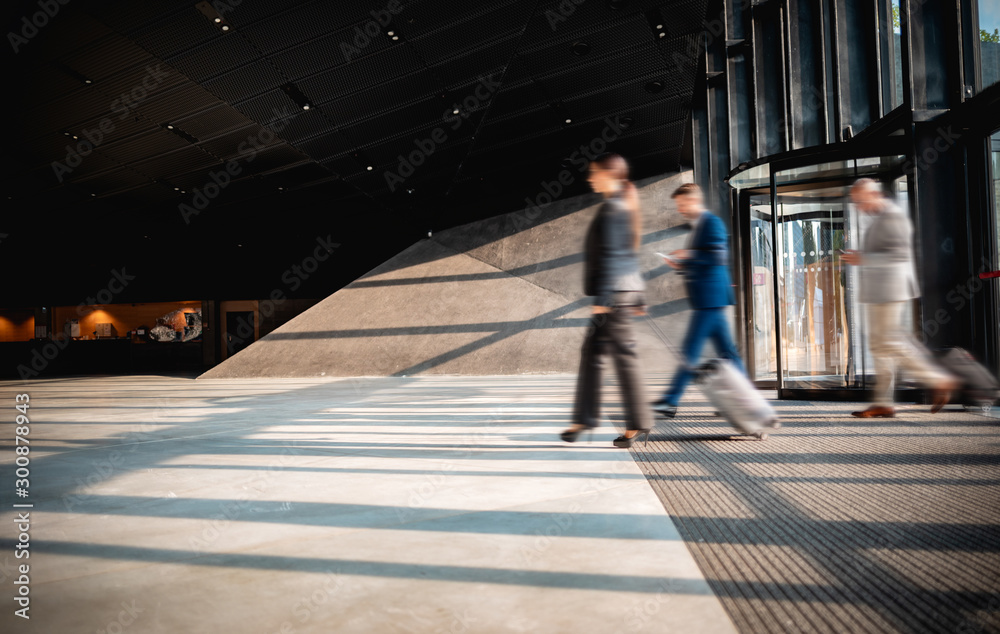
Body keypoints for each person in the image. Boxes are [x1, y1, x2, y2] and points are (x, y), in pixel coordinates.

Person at [841, 178, 957, 417]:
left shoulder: (892, 216)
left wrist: (863, 258)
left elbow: (899, 255)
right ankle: (883, 402)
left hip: (891, 289)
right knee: (879, 345)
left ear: (873, 194)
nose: (858, 205)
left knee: (890, 342)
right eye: (855, 201)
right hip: (878, 290)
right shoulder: (878, 217)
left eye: (860, 200)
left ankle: (938, 380)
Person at [560, 153, 653, 448]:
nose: (590, 179)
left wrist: (605, 298)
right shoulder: (619, 206)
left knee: (622, 359)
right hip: (620, 295)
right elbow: (628, 254)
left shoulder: (614, 208)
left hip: (613, 297)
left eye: (594, 173)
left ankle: (637, 423)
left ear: (610, 175)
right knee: (594, 356)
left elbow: (616, 256)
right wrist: (635, 297)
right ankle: (584, 419)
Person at [652, 183, 745, 418]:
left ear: (694, 201)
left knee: (690, 352)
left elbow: (717, 256)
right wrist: (680, 264)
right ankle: (743, 398)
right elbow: (702, 260)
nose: (680, 210)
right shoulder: (699, 226)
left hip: (710, 299)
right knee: (728, 353)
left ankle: (670, 401)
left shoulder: (711, 222)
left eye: (682, 204)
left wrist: (686, 255)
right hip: (709, 299)